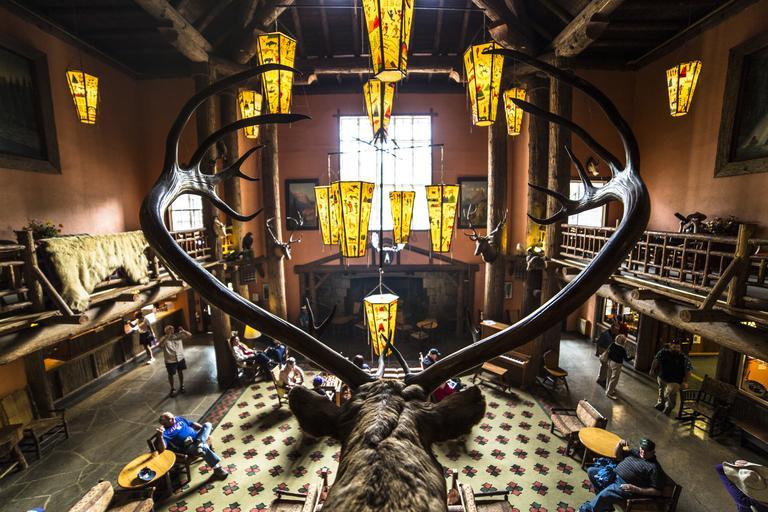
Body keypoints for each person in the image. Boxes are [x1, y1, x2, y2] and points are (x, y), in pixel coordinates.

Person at [580, 438, 662, 512]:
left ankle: (587, 510)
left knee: (604, 495)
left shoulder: (654, 467)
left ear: (653, 452)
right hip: (613, 474)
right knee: (591, 471)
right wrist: (619, 445)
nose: (643, 452)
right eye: (642, 448)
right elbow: (617, 456)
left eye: (646, 451)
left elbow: (657, 491)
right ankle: (606, 506)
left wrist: (635, 489)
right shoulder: (635, 452)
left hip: (624, 484)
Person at [156, 412, 227, 480]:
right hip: (188, 447)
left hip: (197, 437)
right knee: (203, 447)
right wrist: (160, 437)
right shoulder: (164, 433)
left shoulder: (178, 419)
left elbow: (192, 424)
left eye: (173, 417)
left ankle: (199, 442)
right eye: (171, 419)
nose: (174, 418)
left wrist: (203, 430)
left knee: (207, 424)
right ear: (164, 423)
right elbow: (162, 449)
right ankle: (217, 469)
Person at [650, 341, 692, 415]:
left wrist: (685, 381)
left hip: (675, 380)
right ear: (670, 346)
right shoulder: (663, 352)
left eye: (678, 347)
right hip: (662, 377)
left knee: (670, 394)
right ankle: (661, 403)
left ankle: (669, 407)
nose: (676, 349)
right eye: (674, 347)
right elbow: (656, 360)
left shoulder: (684, 358)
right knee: (661, 391)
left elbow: (688, 370)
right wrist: (652, 370)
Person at [160, 325, 191, 397]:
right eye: (169, 330)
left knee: (180, 372)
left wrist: (183, 331)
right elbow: (161, 345)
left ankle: (182, 385)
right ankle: (172, 388)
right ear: (166, 331)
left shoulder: (177, 336)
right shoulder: (163, 338)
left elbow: (189, 335)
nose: (171, 331)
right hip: (170, 359)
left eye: (172, 329)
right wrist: (168, 336)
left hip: (180, 357)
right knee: (171, 374)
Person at [602, 334, 633, 400]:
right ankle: (609, 393)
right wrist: (632, 357)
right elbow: (626, 359)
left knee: (609, 376)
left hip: (610, 362)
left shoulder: (612, 345)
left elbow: (609, 353)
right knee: (614, 379)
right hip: (617, 364)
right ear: (623, 341)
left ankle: (608, 389)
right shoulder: (622, 349)